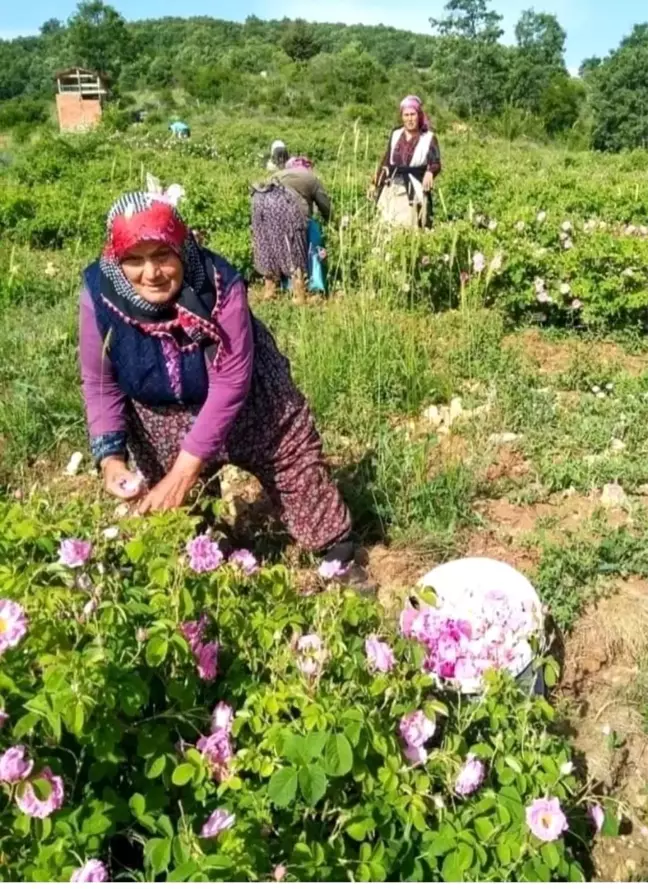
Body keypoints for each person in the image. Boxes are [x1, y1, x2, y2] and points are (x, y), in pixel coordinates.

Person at [79, 189, 367, 583]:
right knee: (181, 510)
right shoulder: (101, 295)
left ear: (182, 248)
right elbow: (100, 382)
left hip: (251, 397)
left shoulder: (219, 285)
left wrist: (183, 472)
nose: (151, 273)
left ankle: (338, 557)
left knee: (291, 456)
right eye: (134, 259)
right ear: (116, 260)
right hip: (162, 407)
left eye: (163, 255)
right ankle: (207, 554)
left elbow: (232, 381)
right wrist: (111, 459)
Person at [251, 156, 331, 304]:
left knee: (268, 245)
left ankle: (270, 291)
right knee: (294, 247)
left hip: (259, 201)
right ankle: (299, 295)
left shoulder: (279, 174)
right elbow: (325, 206)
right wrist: (332, 221)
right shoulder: (311, 178)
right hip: (285, 202)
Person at [372, 96, 441, 229]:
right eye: (406, 115)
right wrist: (375, 183)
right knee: (385, 226)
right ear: (402, 116)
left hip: (414, 189)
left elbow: (436, 161)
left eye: (413, 114)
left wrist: (430, 171)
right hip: (392, 187)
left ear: (419, 115)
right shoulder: (396, 134)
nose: (410, 119)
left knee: (409, 228)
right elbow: (386, 161)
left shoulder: (429, 138)